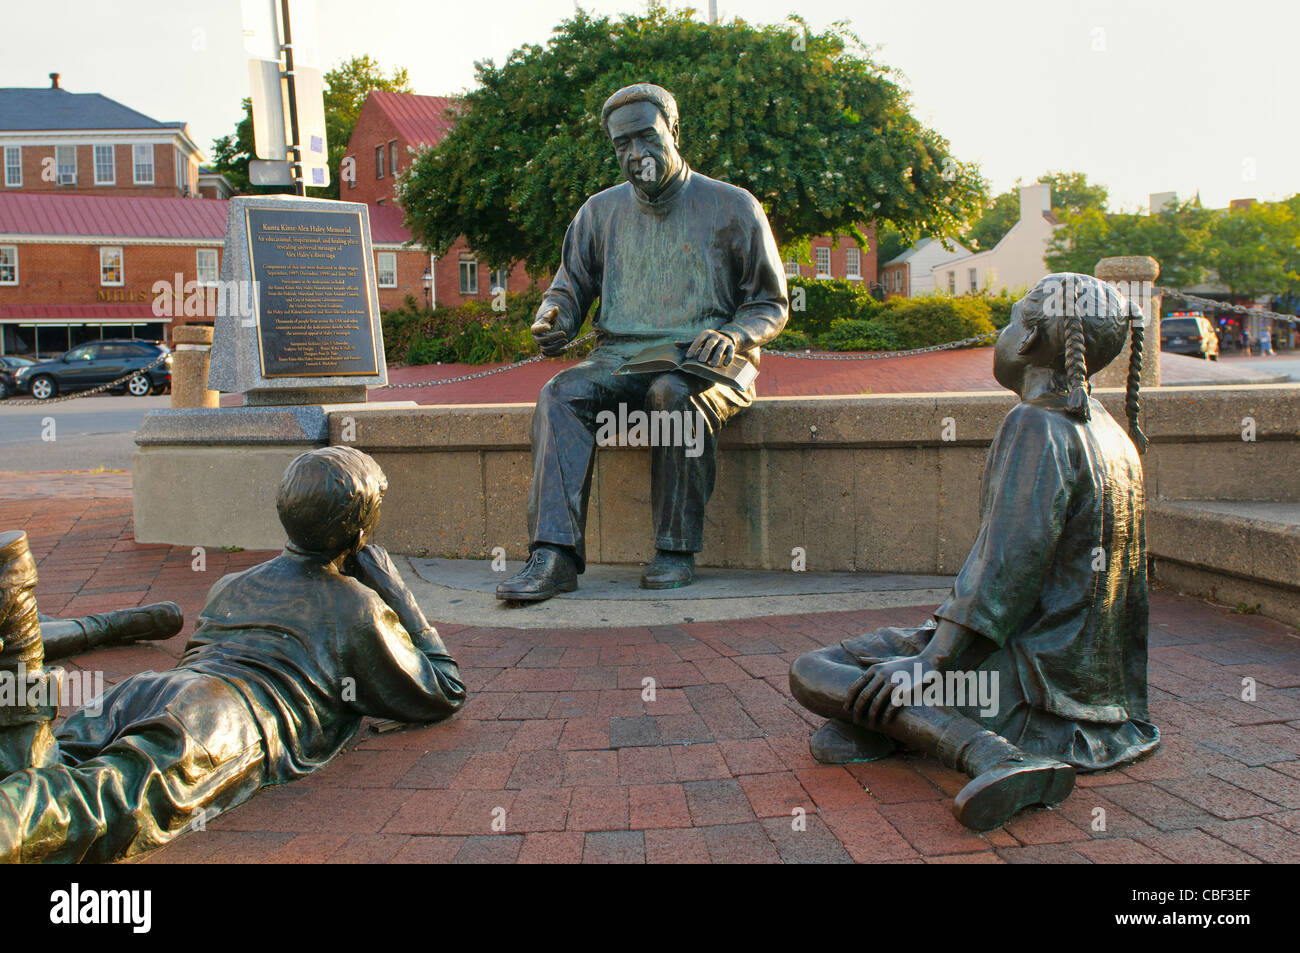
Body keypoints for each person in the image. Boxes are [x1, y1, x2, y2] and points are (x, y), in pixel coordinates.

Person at [788, 273, 1160, 830]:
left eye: (1009, 319)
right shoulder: (1110, 431)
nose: (1001, 331)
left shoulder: (1035, 423)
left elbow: (1005, 571)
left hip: (1033, 693)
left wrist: (930, 662)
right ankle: (889, 725)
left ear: (1031, 338)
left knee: (813, 671)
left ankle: (994, 755)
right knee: (857, 699)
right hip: (1098, 700)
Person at [0, 447, 466, 863]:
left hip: (149, 689)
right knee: (99, 805)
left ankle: (16, 610)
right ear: (360, 534)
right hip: (225, 717)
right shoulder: (356, 606)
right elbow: (444, 690)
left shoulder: (230, 584)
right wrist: (397, 593)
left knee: (42, 760)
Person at [496, 83, 788, 601]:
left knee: (672, 395)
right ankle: (554, 555)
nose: (635, 155)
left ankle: (675, 549)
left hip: (706, 363)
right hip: (620, 359)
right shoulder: (598, 213)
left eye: (646, 138)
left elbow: (769, 303)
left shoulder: (733, 206)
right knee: (560, 394)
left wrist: (733, 334)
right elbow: (568, 288)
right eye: (621, 145)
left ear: (673, 132)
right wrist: (553, 317)